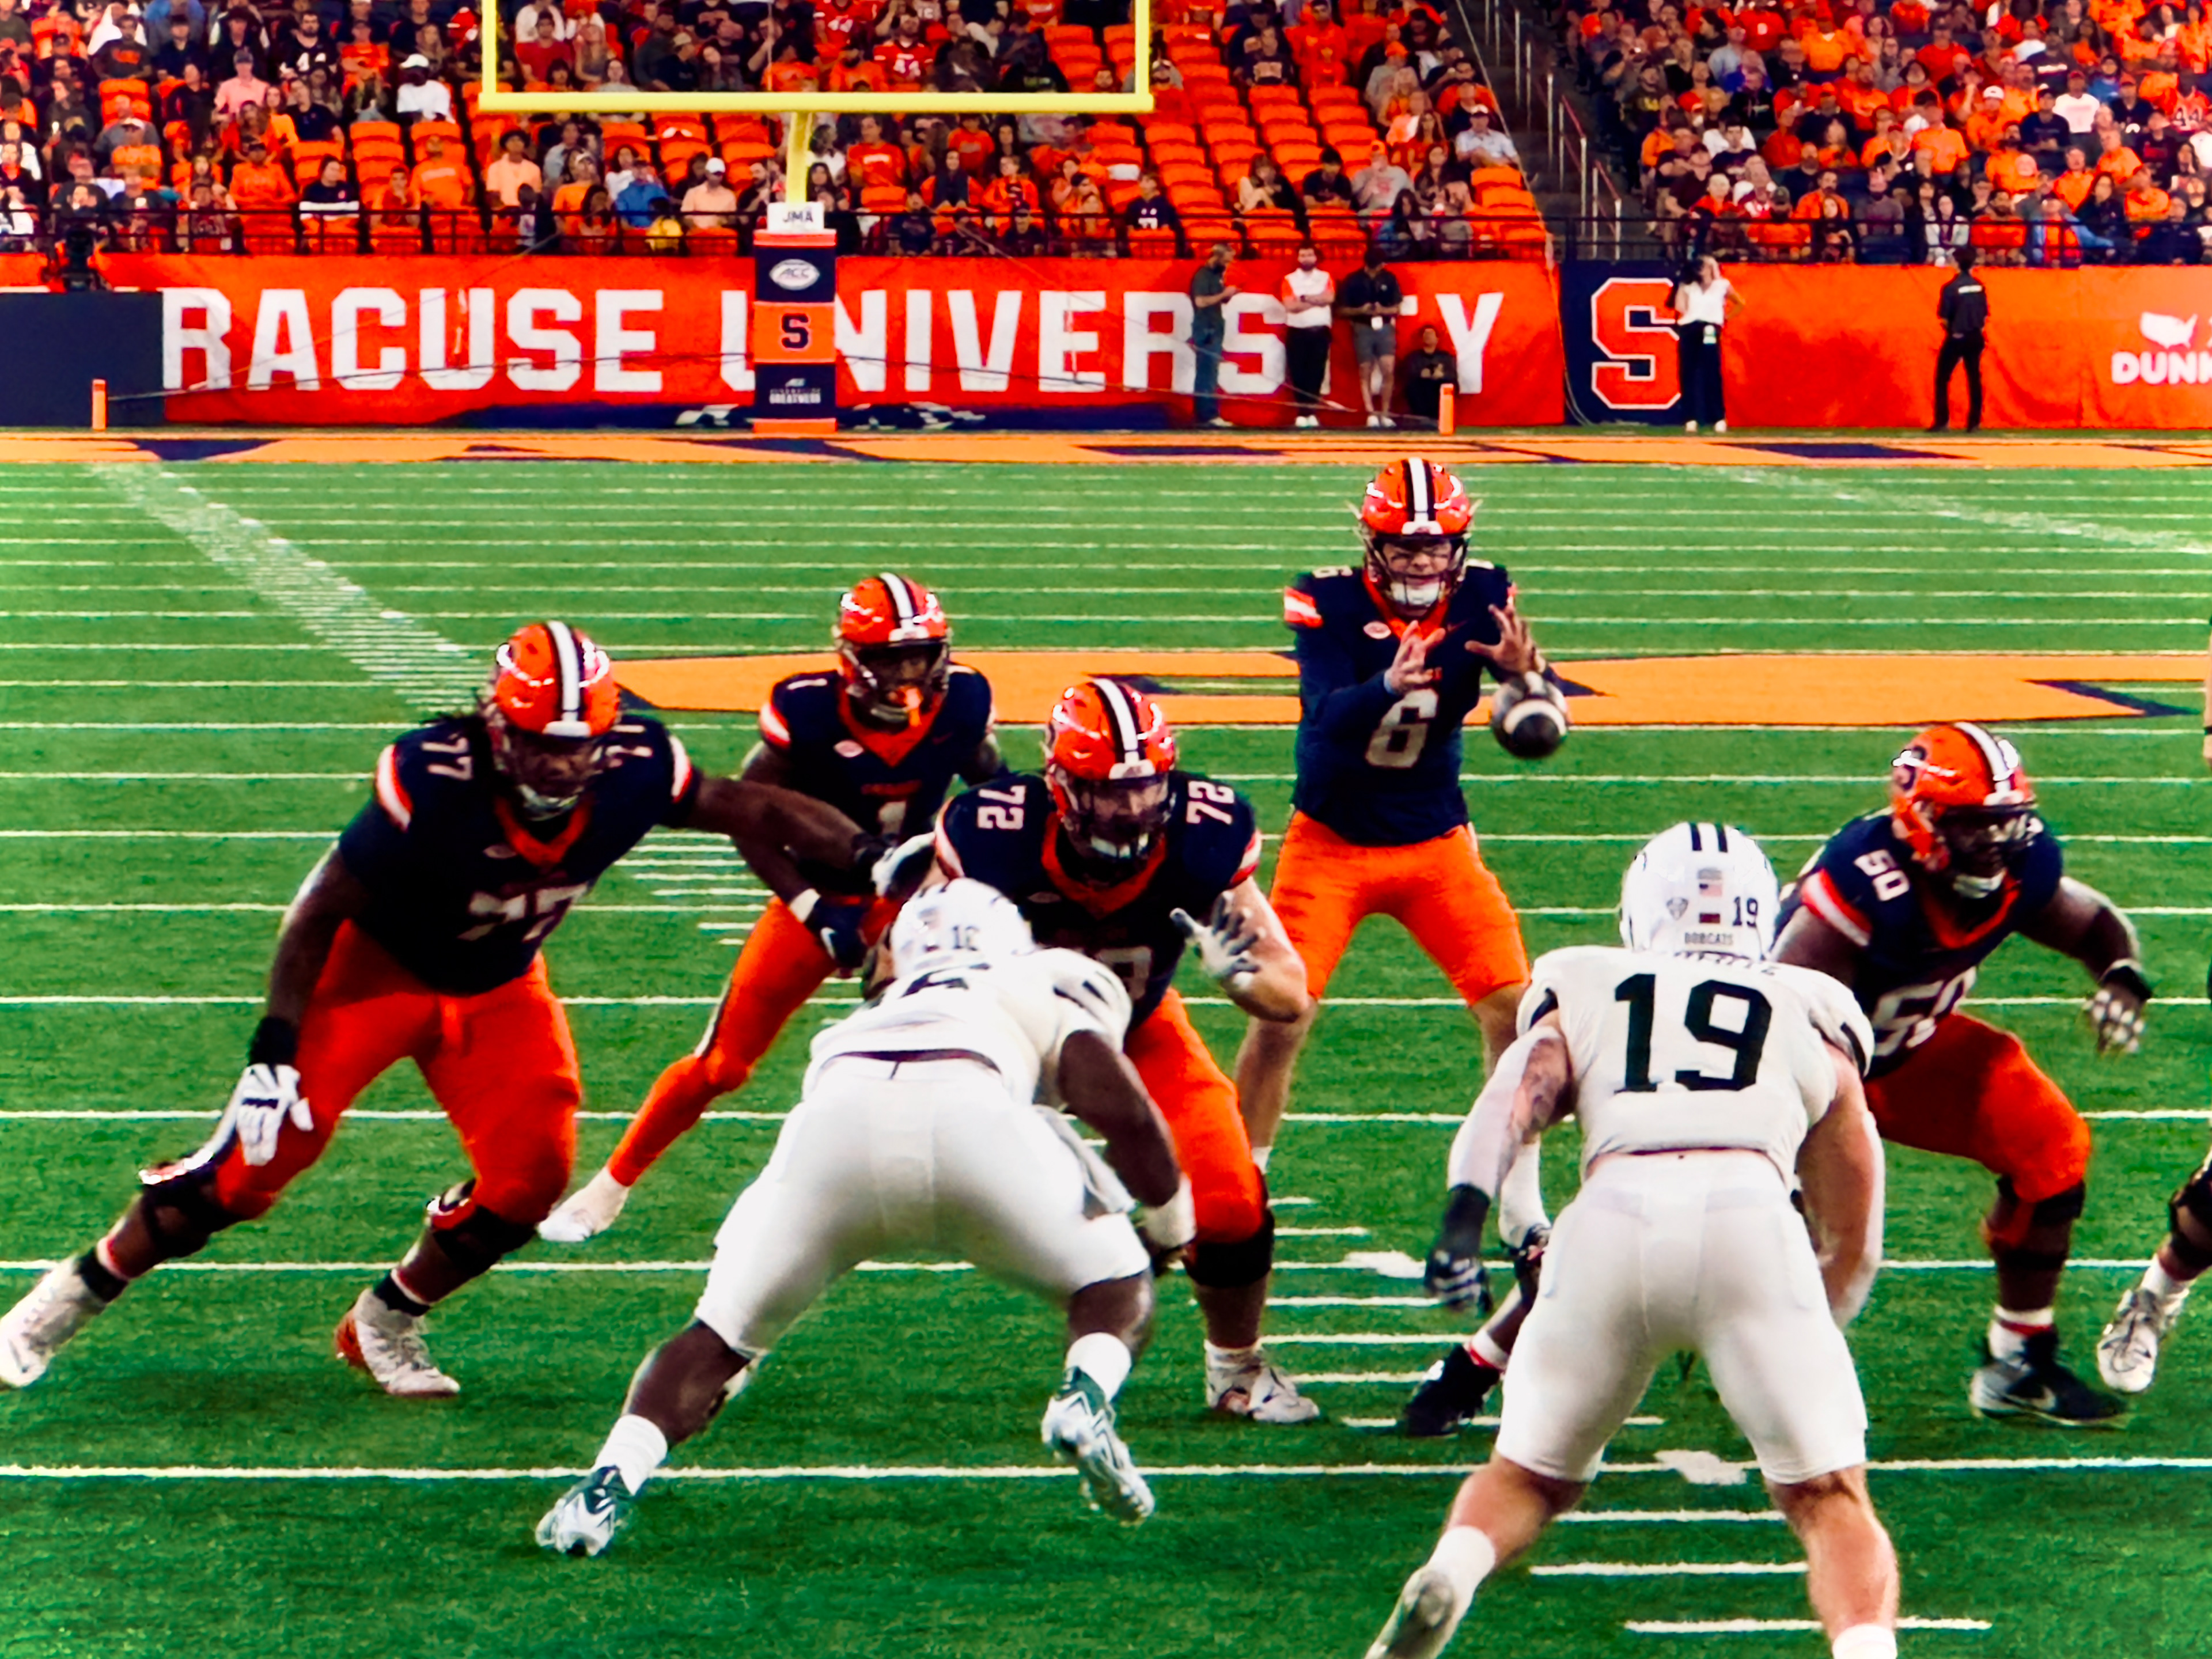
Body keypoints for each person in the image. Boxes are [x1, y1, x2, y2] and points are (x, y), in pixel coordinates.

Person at [0, 624, 878, 1397]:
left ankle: (386, 1319)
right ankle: (62, 1301)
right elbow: (318, 908)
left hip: (499, 984)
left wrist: (874, 858)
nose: (560, 763)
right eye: (539, 743)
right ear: (499, 727)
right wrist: (273, 1047)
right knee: (245, 1174)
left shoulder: (636, 768)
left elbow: (750, 803)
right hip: (372, 978)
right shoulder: (436, 778)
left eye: (577, 745)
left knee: (530, 1181)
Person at [1365, 824, 1896, 1659]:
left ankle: (1452, 1572)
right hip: (1751, 1214)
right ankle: (1867, 1651)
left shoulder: (1586, 979)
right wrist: (1814, 1322)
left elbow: (1516, 1096)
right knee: (1830, 1497)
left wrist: (1465, 1214)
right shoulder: (1808, 1002)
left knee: (1527, 1476)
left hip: (1611, 1214)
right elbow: (1854, 1213)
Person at [535, 881, 1190, 1555]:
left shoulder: (882, 1006)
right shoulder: (1036, 980)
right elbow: (1123, 1108)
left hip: (834, 1127)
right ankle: (1084, 1397)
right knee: (1116, 1282)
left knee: (720, 1337)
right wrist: (1171, 1224)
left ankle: (607, 1485)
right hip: (973, 1114)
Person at [1237, 457, 1565, 1436]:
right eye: (1406, 544)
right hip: (1331, 842)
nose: (1423, 559)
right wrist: (1385, 681)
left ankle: (1519, 1204)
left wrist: (1527, 683)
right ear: (1372, 543)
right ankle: (1239, 1179)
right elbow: (1325, 718)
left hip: (1435, 842)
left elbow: (1538, 732)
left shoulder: (1488, 592)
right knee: (1281, 1012)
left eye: (1436, 544)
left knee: (1515, 1011)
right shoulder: (1327, 599)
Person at [932, 680, 1320, 1425]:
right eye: (1110, 792)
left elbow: (1289, 992)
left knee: (1232, 1198)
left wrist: (1238, 974)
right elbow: (908, 954)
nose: (1133, 807)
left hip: (1136, 1025)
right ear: (1060, 784)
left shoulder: (1205, 831)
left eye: (1146, 787)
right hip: (1006, 1033)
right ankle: (744, 1325)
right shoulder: (994, 833)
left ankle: (1237, 1368)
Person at [1774, 724, 2143, 1425]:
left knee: (2051, 1145)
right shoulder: (1864, 885)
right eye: (1974, 824)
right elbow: (1780, 1018)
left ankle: (2018, 1361)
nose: (1996, 842)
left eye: (2007, 822)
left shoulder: (2023, 866)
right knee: (1801, 1231)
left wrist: (2120, 972)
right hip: (1813, 1071)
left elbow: (2090, 921)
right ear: (1920, 818)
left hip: (1911, 1051)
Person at [1338, 243, 1404, 428]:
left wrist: (1383, 310)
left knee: (1388, 369)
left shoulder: (1389, 278)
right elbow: (1341, 310)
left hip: (1384, 325)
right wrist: (1361, 310)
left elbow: (1397, 308)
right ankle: (1371, 413)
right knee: (1365, 369)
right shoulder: (1353, 280)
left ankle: (1385, 413)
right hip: (1362, 326)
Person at [1673, 254, 1738, 433]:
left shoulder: (1722, 285)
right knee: (1688, 373)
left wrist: (1725, 318)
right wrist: (1682, 285)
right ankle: (1690, 418)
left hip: (1710, 327)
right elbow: (1681, 308)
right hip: (1690, 327)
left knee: (1712, 372)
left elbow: (1739, 302)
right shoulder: (1689, 285)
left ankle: (1717, 417)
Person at [1931, 245, 1988, 431]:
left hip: (1957, 337)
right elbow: (1984, 315)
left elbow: (1944, 317)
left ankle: (1942, 421)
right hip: (1975, 336)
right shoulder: (1979, 286)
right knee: (1974, 378)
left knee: (1942, 378)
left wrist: (1953, 330)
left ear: (1956, 263)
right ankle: (1974, 422)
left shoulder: (1950, 288)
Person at [1279, 243, 1335, 428]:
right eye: (1303, 255)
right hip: (1297, 330)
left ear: (1316, 257)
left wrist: (1304, 299)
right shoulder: (1289, 279)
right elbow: (1290, 306)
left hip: (1320, 331)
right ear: (1297, 258)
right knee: (1298, 373)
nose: (1306, 259)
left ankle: (1312, 412)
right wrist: (1317, 300)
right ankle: (1302, 413)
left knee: (1317, 373)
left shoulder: (1325, 277)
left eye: (1309, 255)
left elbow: (1329, 298)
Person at [1188, 240, 1238, 427]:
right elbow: (1201, 302)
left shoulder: (1217, 277)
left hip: (1214, 326)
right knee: (1207, 372)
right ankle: (1207, 415)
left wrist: (1227, 295)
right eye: (1226, 261)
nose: (1227, 265)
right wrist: (1224, 294)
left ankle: (1207, 414)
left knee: (1211, 371)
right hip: (1206, 328)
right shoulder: (1203, 275)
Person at [1396, 323, 1455, 427]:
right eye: (1426, 334)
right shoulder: (1413, 358)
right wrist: (1421, 375)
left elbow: (1453, 376)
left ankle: (1439, 419)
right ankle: (1422, 419)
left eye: (1431, 334)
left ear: (1437, 339)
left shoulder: (1445, 357)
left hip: (1438, 389)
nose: (1428, 337)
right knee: (1415, 386)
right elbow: (1406, 375)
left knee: (1444, 386)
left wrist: (1442, 375)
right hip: (1420, 390)